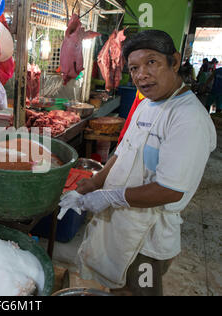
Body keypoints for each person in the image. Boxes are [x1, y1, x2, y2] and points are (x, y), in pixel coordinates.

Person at [59, 30, 217, 296]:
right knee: (117, 286)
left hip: (149, 237)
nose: (141, 74)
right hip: (123, 225)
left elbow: (170, 190)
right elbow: (123, 151)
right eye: (134, 67)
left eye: (152, 62)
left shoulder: (188, 119)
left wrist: (110, 197)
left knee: (139, 291)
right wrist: (93, 183)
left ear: (174, 62)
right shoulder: (147, 105)